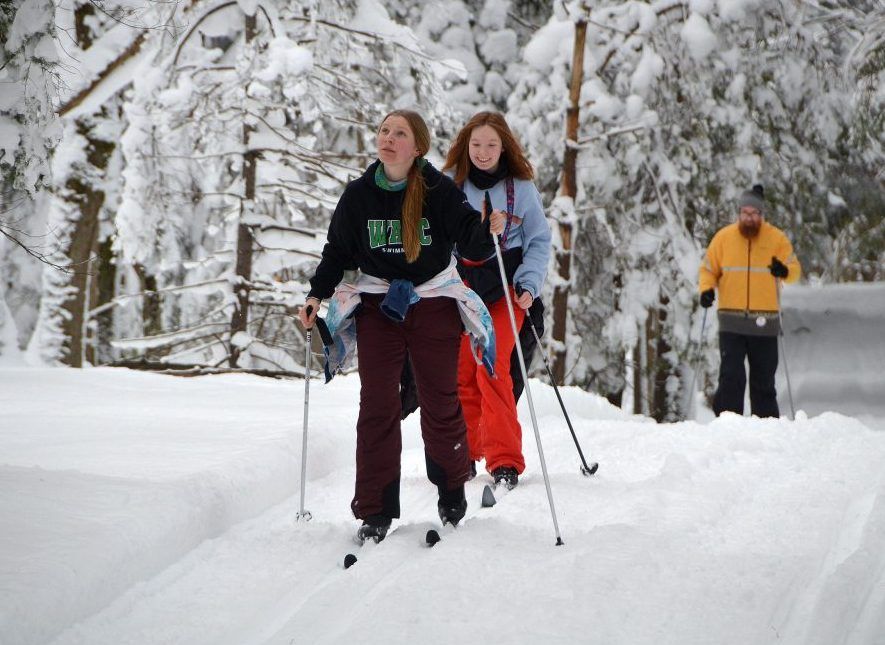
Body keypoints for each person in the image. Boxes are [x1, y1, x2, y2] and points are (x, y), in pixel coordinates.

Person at [297, 110, 506, 543]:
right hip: (379, 307)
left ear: (418, 147)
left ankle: (451, 491)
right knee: (376, 404)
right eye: (383, 131)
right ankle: (374, 510)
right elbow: (337, 252)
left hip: (432, 303)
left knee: (439, 400)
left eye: (399, 133)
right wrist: (315, 294)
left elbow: (471, 240)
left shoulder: (438, 190)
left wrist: (490, 230)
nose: (388, 139)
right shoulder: (358, 196)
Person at [442, 112, 552, 490]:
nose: (483, 152)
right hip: (461, 286)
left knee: (491, 363)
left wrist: (529, 283)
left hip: (506, 286)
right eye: (476, 145)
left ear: (503, 146)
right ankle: (466, 453)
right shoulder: (449, 186)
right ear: (464, 146)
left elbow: (539, 240)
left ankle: (504, 459)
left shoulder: (520, 188)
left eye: (491, 145)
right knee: (462, 372)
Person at [698, 184, 801, 418]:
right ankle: (728, 424)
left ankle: (766, 427)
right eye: (745, 213)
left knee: (763, 380)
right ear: (739, 213)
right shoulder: (723, 239)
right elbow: (707, 269)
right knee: (731, 377)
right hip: (731, 321)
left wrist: (783, 270)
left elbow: (795, 270)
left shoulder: (776, 239)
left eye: (754, 214)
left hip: (765, 321)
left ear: (761, 215)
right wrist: (706, 290)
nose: (749, 218)